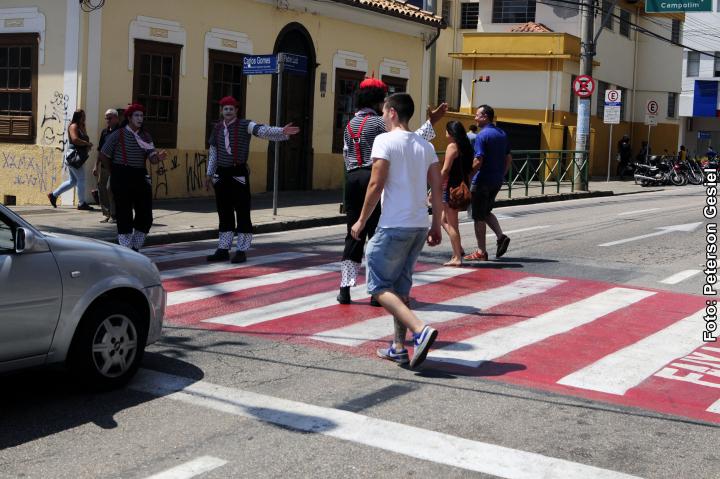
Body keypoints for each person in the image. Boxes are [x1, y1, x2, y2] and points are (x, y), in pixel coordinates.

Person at [351, 92, 443, 369]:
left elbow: (375, 184)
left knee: (378, 286)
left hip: (393, 225)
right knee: (400, 289)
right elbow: (437, 188)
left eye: (383, 111)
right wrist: (436, 224)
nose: (382, 116)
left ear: (392, 112)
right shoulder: (425, 145)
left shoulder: (384, 140)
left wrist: (361, 220)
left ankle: (420, 329)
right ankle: (398, 348)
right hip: (418, 226)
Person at [337, 76, 447, 304]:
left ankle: (345, 287)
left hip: (352, 178)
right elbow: (408, 140)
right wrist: (431, 123)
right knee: (375, 233)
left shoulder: (350, 124)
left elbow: (347, 153)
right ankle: (378, 292)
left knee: (353, 234)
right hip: (373, 176)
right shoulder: (380, 124)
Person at [204, 96, 300, 263]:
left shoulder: (245, 125)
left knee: (242, 212)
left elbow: (262, 130)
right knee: (224, 212)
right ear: (221, 111)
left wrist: (281, 131)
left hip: (238, 173)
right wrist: (209, 174)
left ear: (236, 110)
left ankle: (241, 250)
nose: (228, 111)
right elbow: (213, 153)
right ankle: (223, 248)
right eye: (225, 109)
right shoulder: (217, 128)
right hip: (221, 175)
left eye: (231, 109)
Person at [99, 103, 167, 251]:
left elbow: (152, 158)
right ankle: (126, 247)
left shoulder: (146, 136)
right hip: (121, 174)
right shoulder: (118, 134)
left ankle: (135, 246)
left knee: (145, 214)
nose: (140, 118)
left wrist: (158, 157)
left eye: (141, 115)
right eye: (136, 115)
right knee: (124, 214)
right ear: (129, 118)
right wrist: (112, 171)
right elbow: (103, 154)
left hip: (140, 175)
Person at [464, 105, 511, 262]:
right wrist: (501, 174)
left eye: (477, 115)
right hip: (496, 181)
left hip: (482, 181)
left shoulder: (482, 136)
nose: (475, 118)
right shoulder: (502, 133)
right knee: (485, 211)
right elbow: (508, 158)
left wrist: (467, 177)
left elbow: (478, 160)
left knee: (478, 216)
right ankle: (501, 237)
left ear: (485, 116)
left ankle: (481, 251)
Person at [440, 120, 473, 266]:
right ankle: (457, 250)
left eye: (446, 129)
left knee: (452, 225)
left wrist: (435, 187)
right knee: (444, 220)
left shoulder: (452, 146)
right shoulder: (465, 147)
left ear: (451, 132)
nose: (445, 132)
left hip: (451, 189)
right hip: (460, 187)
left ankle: (457, 257)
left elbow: (445, 170)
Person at [47, 109, 94, 210]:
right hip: (73, 156)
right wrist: (87, 144)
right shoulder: (73, 126)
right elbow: (75, 139)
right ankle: (81, 203)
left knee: (73, 181)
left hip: (78, 156)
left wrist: (87, 145)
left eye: (84, 116)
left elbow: (83, 139)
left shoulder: (82, 126)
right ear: (77, 117)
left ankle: (53, 195)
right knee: (81, 179)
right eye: (82, 116)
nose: (84, 118)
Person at [93, 108, 120, 222]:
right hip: (104, 166)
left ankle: (115, 214)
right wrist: (96, 165)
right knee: (102, 188)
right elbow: (100, 150)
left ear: (116, 118)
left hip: (115, 165)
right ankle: (106, 214)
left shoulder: (120, 132)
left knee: (110, 188)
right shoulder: (104, 132)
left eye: (110, 118)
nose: (107, 120)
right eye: (106, 118)